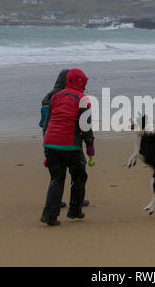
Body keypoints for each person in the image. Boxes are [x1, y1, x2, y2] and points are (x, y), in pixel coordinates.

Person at [40, 68, 95, 226]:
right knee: (79, 176)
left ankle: (49, 214)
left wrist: (46, 149)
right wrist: (90, 146)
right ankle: (75, 210)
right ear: (81, 83)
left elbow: (47, 124)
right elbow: (85, 127)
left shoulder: (54, 96)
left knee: (57, 178)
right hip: (70, 145)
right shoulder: (83, 99)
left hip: (50, 142)